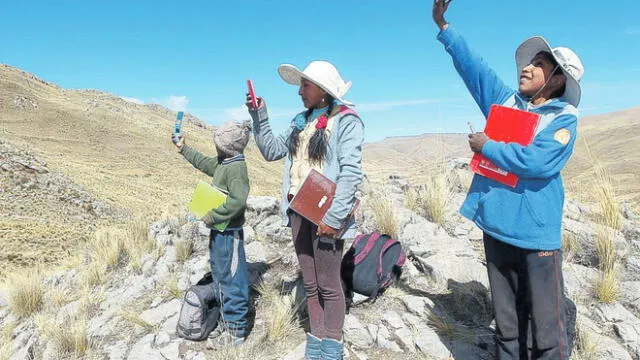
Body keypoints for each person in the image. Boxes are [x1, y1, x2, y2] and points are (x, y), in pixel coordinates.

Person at [432, 1, 584, 359]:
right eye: (529, 63)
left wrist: (489, 147)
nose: (527, 68)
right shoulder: (506, 104)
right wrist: (444, 27)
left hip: (535, 236)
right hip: (497, 228)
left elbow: (537, 162)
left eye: (539, 65)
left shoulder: (564, 120)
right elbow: (476, 70)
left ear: (558, 78)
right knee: (506, 325)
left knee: (547, 330)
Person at [246, 60, 364, 360]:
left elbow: (351, 172)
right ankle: (316, 343)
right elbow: (272, 150)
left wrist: (334, 218)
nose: (300, 91)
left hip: (327, 214)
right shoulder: (301, 121)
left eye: (305, 85)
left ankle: (332, 347)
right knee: (310, 282)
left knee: (328, 283)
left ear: (324, 91)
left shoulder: (347, 121)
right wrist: (259, 115)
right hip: (300, 210)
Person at [173, 120, 252, 348]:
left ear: (226, 146)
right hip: (219, 232)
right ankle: (225, 319)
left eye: (217, 143)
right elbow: (203, 163)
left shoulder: (236, 168)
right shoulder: (225, 162)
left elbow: (238, 201)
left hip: (230, 233)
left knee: (232, 278)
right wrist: (183, 149)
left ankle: (236, 331)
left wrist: (213, 215)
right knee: (220, 273)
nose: (215, 147)